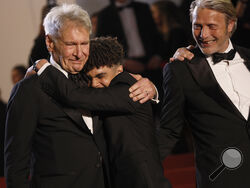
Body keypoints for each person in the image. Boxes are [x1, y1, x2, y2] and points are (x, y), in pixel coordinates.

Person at [5, 4, 156, 188]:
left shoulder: (96, 79)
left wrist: (152, 87)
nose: (79, 53)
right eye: (70, 45)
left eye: (84, 43)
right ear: (50, 43)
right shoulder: (29, 90)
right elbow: (16, 163)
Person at [34, 36, 171, 188]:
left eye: (100, 76)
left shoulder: (129, 88)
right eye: (89, 78)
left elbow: (73, 96)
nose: (94, 84)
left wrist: (43, 67)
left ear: (119, 69)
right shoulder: (102, 98)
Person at [158, 0, 250, 187]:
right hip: (220, 178)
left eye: (211, 26)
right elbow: (169, 130)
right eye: (197, 26)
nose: (203, 35)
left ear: (230, 24)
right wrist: (136, 167)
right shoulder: (180, 70)